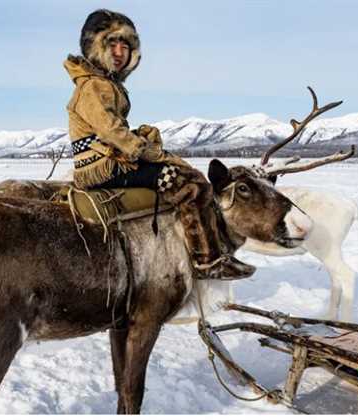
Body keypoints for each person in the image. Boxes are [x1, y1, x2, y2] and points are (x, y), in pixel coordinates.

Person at [63, 9, 248, 280]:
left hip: (113, 162)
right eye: (111, 44)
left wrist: (141, 135)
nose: (118, 52)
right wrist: (146, 150)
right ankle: (207, 261)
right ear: (95, 48)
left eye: (125, 46)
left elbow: (108, 129)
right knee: (190, 186)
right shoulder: (93, 86)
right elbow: (111, 131)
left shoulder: (102, 83)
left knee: (184, 174)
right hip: (104, 168)